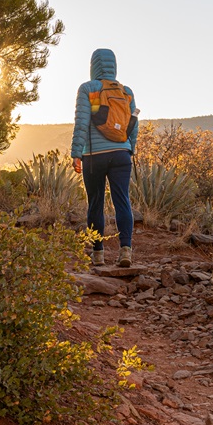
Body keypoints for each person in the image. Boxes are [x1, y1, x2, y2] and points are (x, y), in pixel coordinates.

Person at [71, 48, 139, 267]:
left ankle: (98, 253)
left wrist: (76, 153)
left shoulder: (88, 89)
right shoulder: (126, 91)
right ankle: (125, 251)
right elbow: (132, 125)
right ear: (114, 65)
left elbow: (81, 123)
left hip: (94, 156)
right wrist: (130, 149)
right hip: (121, 154)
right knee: (122, 201)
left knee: (95, 203)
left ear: (94, 66)